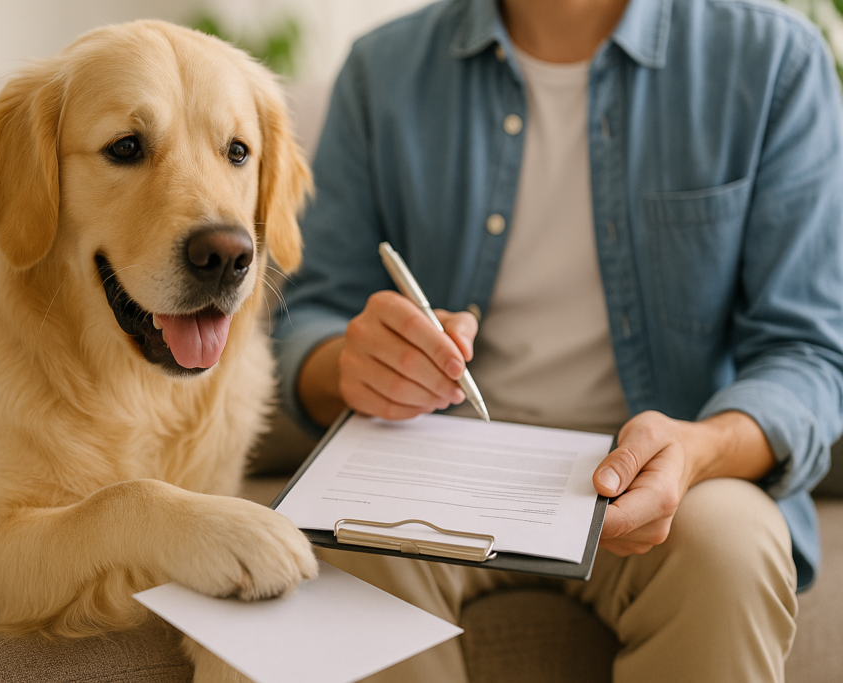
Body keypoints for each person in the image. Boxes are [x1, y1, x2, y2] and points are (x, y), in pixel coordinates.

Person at [272, 0, 843, 681]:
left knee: (729, 547)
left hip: (673, 476)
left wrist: (700, 448)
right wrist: (348, 362)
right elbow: (307, 316)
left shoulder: (775, 60)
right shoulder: (381, 70)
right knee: (342, 545)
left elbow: (808, 353)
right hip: (434, 468)